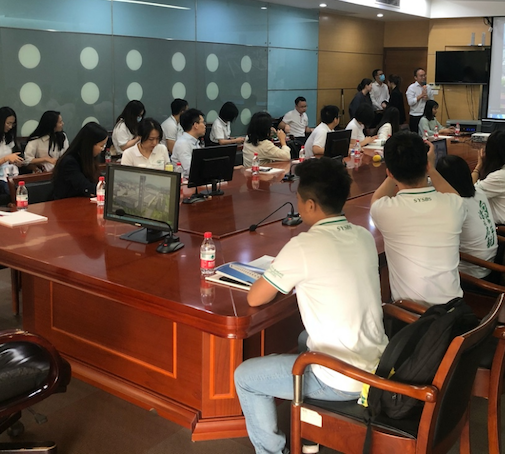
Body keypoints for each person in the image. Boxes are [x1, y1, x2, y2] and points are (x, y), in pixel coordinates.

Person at [234, 158, 388, 454]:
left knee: (246, 377)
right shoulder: (363, 235)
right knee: (304, 338)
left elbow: (255, 298)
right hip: (377, 361)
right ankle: (310, 427)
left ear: (310, 205)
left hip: (342, 379)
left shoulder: (304, 246)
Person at [370, 131, 465, 304]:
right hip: (455, 310)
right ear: (427, 165)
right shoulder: (454, 204)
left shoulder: (384, 210)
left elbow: (376, 198)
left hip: (410, 316)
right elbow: (453, 194)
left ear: (389, 173)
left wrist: (394, 172)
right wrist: (431, 169)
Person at [435, 155, 498, 279]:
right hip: (489, 263)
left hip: (472, 274)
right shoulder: (479, 192)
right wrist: (478, 168)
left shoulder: (455, 205)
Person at [52, 122, 108, 199]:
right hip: (66, 203)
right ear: (90, 144)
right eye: (101, 145)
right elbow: (86, 187)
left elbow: (99, 181)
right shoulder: (69, 162)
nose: (103, 149)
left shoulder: (90, 158)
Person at [171, 108, 205, 173]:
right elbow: (190, 169)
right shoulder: (183, 144)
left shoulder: (194, 142)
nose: (204, 125)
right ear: (196, 125)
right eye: (203, 122)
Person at [406, 67, 432, 133]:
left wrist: (427, 99)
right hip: (415, 116)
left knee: (426, 134)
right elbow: (410, 102)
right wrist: (421, 96)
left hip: (426, 116)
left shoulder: (428, 87)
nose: (423, 77)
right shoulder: (411, 88)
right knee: (415, 136)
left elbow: (432, 102)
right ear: (415, 77)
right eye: (421, 76)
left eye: (424, 75)